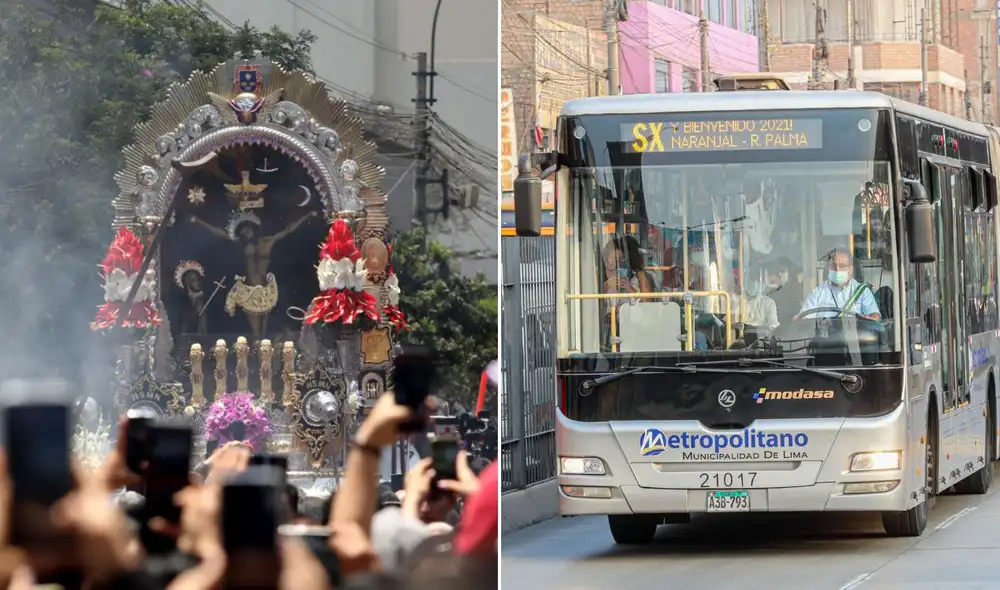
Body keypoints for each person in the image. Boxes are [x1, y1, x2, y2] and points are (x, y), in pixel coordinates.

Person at [190, 209, 318, 341]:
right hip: (250, 292)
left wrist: (306, 216)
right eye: (242, 230)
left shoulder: (267, 241)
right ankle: (256, 357)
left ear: (253, 228)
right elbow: (220, 233)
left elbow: (288, 230)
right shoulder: (240, 244)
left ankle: (269, 355)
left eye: (247, 228)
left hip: (267, 290)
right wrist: (199, 222)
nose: (245, 232)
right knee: (257, 333)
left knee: (265, 330)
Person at [798, 249, 881, 320]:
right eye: (834, 265)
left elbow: (874, 315)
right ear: (829, 268)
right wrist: (799, 320)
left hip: (855, 336)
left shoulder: (862, 291)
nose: (837, 270)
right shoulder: (817, 293)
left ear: (850, 269)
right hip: (824, 338)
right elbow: (804, 319)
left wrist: (871, 318)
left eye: (842, 266)